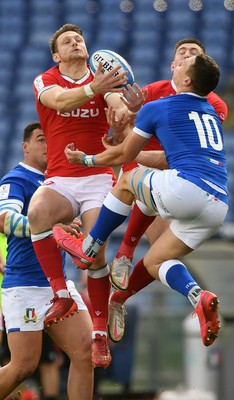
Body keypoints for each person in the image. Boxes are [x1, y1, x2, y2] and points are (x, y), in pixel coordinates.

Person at [53, 53, 228, 347]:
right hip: (217, 205)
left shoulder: (159, 106)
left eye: (185, 62)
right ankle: (198, 295)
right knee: (159, 259)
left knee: (127, 180)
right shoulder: (210, 110)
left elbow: (124, 156)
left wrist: (85, 158)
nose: (180, 61)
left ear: (186, 80)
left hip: (187, 189)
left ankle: (89, 247)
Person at [27, 23, 133, 368]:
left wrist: (122, 116)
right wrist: (95, 88)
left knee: (94, 255)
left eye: (79, 39)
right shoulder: (46, 80)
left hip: (98, 175)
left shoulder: (103, 79)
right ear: (56, 55)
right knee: (37, 213)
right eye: (67, 42)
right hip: (61, 176)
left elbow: (117, 105)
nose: (75, 43)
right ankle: (61, 295)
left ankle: (99, 335)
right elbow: (58, 100)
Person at [109, 38, 228, 293]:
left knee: (160, 255)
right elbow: (125, 135)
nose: (186, 55)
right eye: (181, 53)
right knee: (160, 253)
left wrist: (121, 151)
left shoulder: (214, 104)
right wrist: (123, 125)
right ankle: (122, 257)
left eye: (193, 53)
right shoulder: (153, 91)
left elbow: (187, 153)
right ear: (173, 65)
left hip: (176, 175)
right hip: (154, 174)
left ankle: (119, 295)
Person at [0, 122, 94, 400]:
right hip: (24, 287)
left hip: (58, 287)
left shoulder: (58, 184)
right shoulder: (16, 179)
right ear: (25, 146)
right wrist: (47, 228)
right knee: (23, 366)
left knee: (86, 352)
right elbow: (4, 219)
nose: (47, 145)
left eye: (51, 139)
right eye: (41, 139)